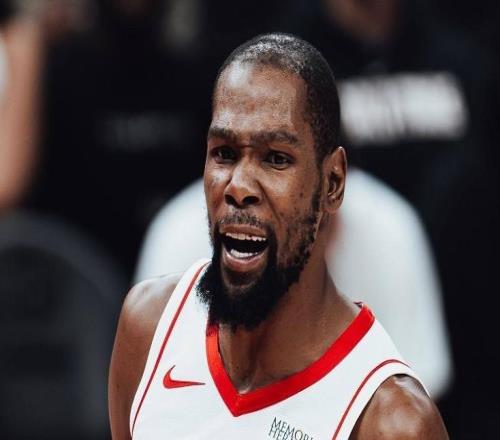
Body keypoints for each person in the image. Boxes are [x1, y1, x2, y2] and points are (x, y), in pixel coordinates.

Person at [108, 33, 448, 439]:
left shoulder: (390, 423)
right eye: (224, 153)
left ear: (333, 183)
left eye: (276, 159)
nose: (239, 187)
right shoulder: (148, 327)